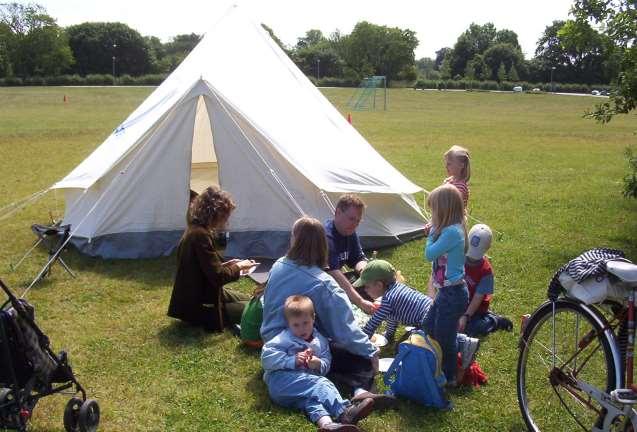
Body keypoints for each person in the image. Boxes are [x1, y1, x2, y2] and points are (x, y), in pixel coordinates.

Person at [261, 216, 395, 407]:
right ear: (322, 245)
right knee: (356, 356)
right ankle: (362, 391)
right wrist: (370, 351)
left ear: (294, 240)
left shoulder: (279, 265)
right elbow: (345, 329)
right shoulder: (323, 283)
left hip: (270, 343)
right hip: (296, 346)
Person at [262, 295, 374, 432]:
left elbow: (327, 362)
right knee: (321, 384)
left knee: (312, 400)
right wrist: (292, 360)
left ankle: (327, 425)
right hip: (280, 381)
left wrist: (318, 364)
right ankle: (344, 411)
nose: (301, 329)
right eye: (296, 325)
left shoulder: (320, 341)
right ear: (288, 323)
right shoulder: (283, 338)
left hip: (298, 391)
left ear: (313, 318)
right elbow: (266, 358)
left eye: (305, 323)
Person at [355, 259, 480, 374]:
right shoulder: (395, 289)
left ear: (379, 285)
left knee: (426, 343)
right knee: (431, 336)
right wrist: (389, 335)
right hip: (433, 312)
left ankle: (464, 343)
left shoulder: (388, 299)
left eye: (367, 286)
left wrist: (359, 341)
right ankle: (459, 341)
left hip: (427, 319)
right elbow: (392, 317)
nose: (365, 290)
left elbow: (373, 324)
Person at [167, 186, 257, 332]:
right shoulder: (200, 235)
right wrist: (240, 266)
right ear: (216, 213)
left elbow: (205, 267)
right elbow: (218, 277)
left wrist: (228, 264)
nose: (227, 220)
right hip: (198, 306)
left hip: (199, 295)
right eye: (226, 216)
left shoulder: (196, 229)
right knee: (255, 310)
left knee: (252, 301)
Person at [423, 184, 469, 384]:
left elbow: (429, 254)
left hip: (453, 293)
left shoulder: (451, 232)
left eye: (433, 209)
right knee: (429, 326)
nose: (432, 214)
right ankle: (462, 344)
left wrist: (432, 233)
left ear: (443, 210)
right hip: (447, 292)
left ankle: (449, 375)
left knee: (443, 337)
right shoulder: (451, 229)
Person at [458, 224, 512, 337]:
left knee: (473, 328)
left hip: (476, 309)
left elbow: (478, 298)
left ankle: (494, 320)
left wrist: (466, 316)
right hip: (458, 302)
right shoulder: (459, 255)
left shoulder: (486, 272)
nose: (471, 259)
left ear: (487, 249)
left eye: (474, 256)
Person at [324, 194, 374, 314]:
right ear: (338, 213)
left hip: (334, 280)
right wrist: (360, 301)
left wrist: (366, 272)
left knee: (375, 283)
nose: (355, 224)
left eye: (358, 221)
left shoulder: (349, 232)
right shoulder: (326, 236)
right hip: (320, 285)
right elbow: (335, 274)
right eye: (351, 219)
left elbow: (358, 259)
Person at [443, 145, 471, 210]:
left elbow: (452, 206)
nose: (446, 166)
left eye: (449, 164)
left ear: (461, 165)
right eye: (446, 164)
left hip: (454, 219)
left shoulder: (461, 186)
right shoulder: (449, 181)